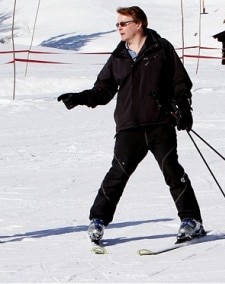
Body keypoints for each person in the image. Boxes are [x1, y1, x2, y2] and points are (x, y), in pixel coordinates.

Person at [58, 6, 205, 243]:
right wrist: (79, 98)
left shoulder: (161, 48)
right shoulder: (118, 57)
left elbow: (180, 82)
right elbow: (103, 90)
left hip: (159, 123)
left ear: (139, 24)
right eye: (117, 24)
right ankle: (97, 221)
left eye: (123, 23)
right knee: (117, 174)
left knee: (172, 172)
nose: (119, 28)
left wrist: (184, 110)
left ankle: (192, 221)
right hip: (129, 127)